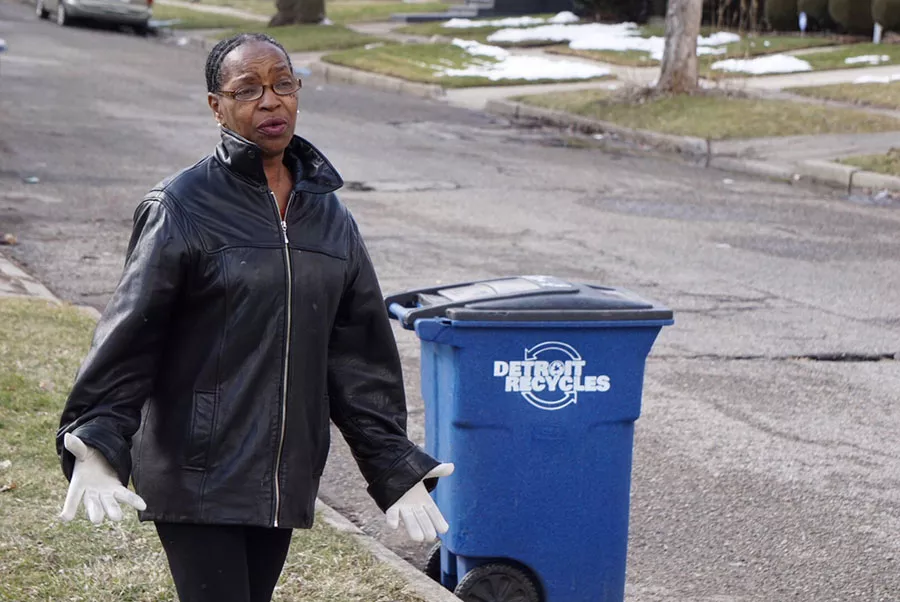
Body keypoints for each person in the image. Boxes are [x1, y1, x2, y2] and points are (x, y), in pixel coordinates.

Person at [55, 33, 453, 602]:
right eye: (248, 90)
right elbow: (131, 339)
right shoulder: (181, 207)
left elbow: (357, 359)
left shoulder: (329, 216)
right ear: (216, 105)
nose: (271, 101)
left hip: (281, 475)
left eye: (283, 84)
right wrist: (97, 442)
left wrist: (394, 467)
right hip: (197, 471)